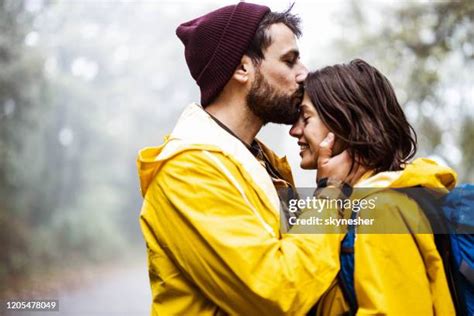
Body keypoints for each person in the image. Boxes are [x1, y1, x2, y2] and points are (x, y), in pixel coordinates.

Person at [137, 3, 365, 315]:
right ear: (242, 69)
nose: (304, 73)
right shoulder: (188, 172)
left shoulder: (260, 162)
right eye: (289, 60)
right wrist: (331, 192)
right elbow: (276, 293)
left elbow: (310, 274)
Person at [289, 58, 457, 315]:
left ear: (342, 122)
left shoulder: (382, 209)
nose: (294, 131)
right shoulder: (356, 204)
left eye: (306, 118)